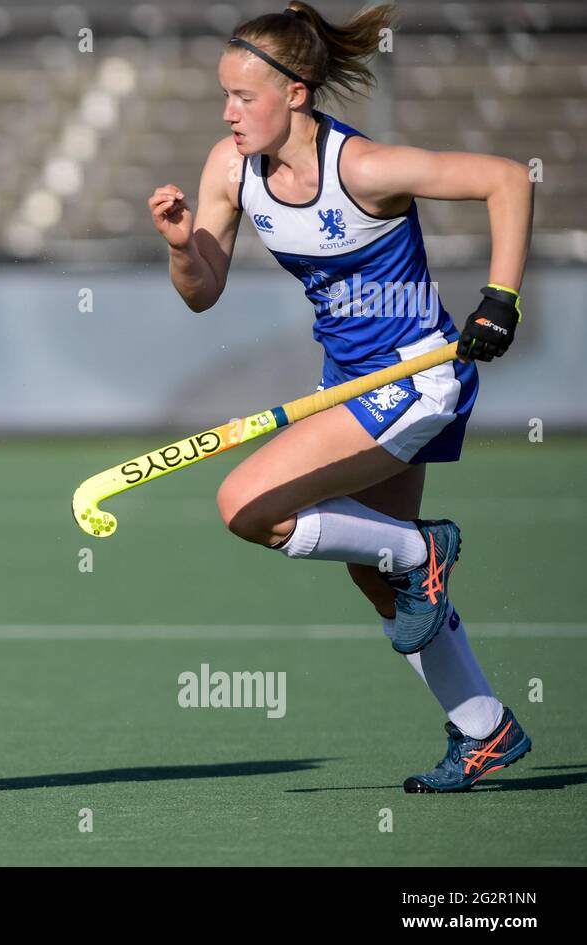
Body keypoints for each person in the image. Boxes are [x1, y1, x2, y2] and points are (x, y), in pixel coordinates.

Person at [148, 2, 534, 792]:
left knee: (245, 505)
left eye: (243, 97)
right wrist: (185, 246)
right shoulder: (230, 169)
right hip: (350, 383)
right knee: (378, 574)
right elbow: (202, 293)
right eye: (223, 95)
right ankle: (484, 728)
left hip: (415, 377)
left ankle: (424, 550)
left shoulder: (362, 169)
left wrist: (501, 297)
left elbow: (504, 179)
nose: (228, 114)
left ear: (295, 93)